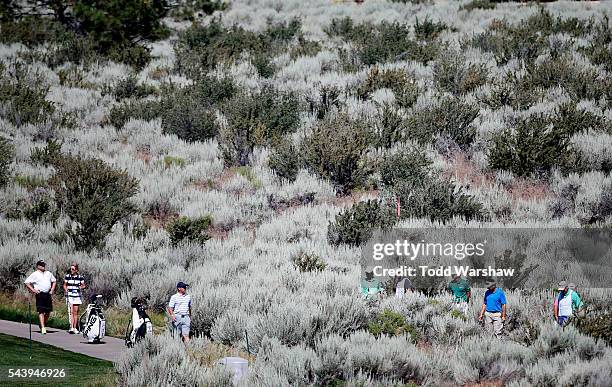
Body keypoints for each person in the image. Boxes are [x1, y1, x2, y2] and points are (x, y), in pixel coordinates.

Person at [24, 260, 56, 334]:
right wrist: (34, 290)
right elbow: (27, 282)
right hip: (40, 294)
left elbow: (54, 281)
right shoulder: (35, 274)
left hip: (47, 294)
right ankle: (43, 327)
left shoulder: (48, 273)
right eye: (41, 265)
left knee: (48, 311)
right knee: (41, 311)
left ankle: (42, 324)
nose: (43, 266)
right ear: (38, 266)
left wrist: (52, 290)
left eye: (44, 265)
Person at [63, 263, 85, 334]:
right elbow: (65, 285)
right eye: (71, 269)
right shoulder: (68, 276)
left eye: (73, 269)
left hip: (77, 296)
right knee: (71, 312)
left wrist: (80, 287)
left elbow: (83, 285)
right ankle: (71, 327)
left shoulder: (80, 277)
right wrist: (66, 290)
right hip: (70, 296)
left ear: (76, 270)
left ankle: (75, 327)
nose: (71, 270)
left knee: (76, 312)